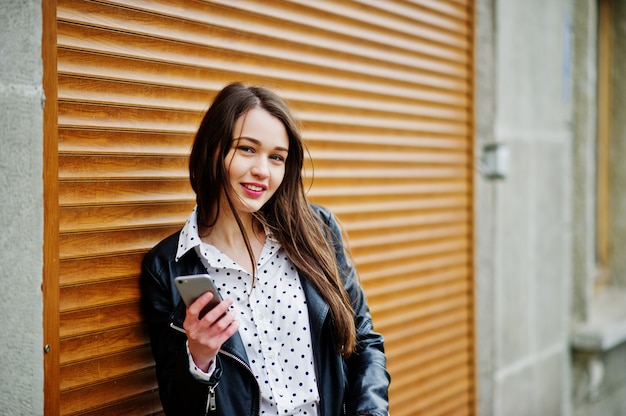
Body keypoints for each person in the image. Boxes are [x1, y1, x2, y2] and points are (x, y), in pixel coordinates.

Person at [141, 82, 390, 416]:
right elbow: (179, 407)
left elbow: (363, 341)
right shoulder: (169, 267)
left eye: (277, 157)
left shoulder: (315, 230)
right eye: (247, 149)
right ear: (213, 149)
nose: (262, 170)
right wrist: (198, 359)